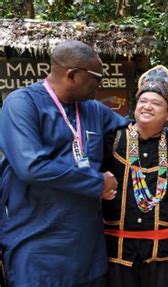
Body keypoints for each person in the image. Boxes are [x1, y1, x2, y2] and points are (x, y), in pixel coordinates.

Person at [0, 40, 128, 286]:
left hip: (87, 248)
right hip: (37, 245)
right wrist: (97, 181)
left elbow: (134, 130)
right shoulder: (21, 104)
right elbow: (32, 166)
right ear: (73, 75)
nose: (100, 84)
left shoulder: (93, 110)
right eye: (97, 77)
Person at [101, 66, 168, 286]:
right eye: (143, 101)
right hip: (118, 248)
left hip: (161, 250)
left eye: (156, 103)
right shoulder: (114, 139)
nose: (147, 107)